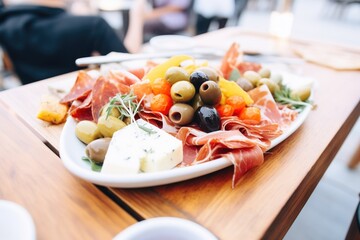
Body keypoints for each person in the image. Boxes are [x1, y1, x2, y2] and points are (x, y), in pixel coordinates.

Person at [0, 0, 145, 85]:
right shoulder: (93, 26)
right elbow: (129, 65)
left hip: (30, 110)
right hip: (78, 109)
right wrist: (137, 16)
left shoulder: (6, 28)